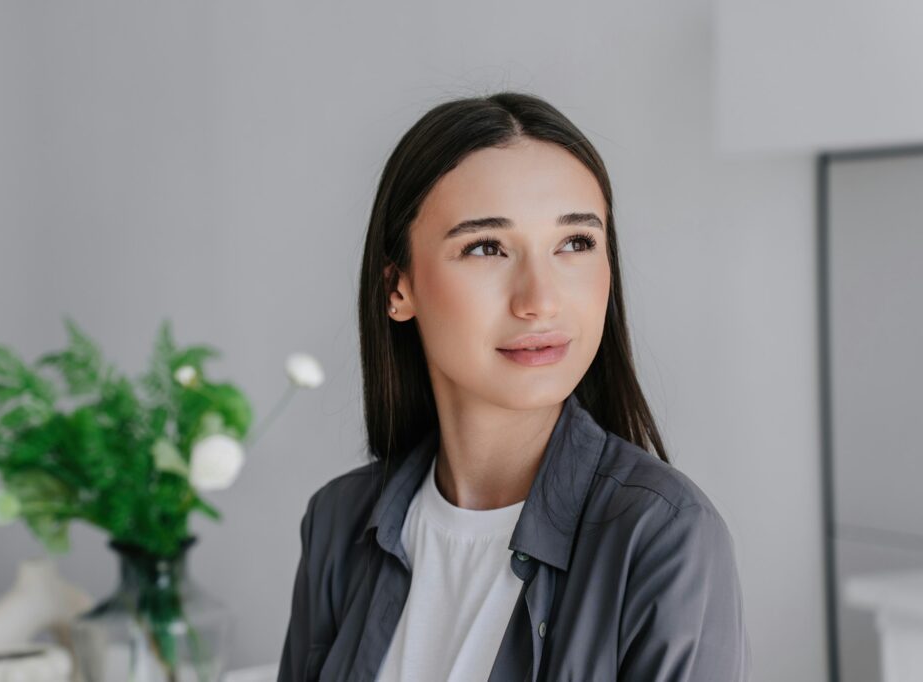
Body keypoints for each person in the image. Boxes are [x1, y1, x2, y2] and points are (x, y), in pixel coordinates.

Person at [277, 91, 751, 681]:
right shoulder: (337, 523)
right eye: (485, 247)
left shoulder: (664, 537)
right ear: (399, 288)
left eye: (575, 243)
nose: (540, 300)